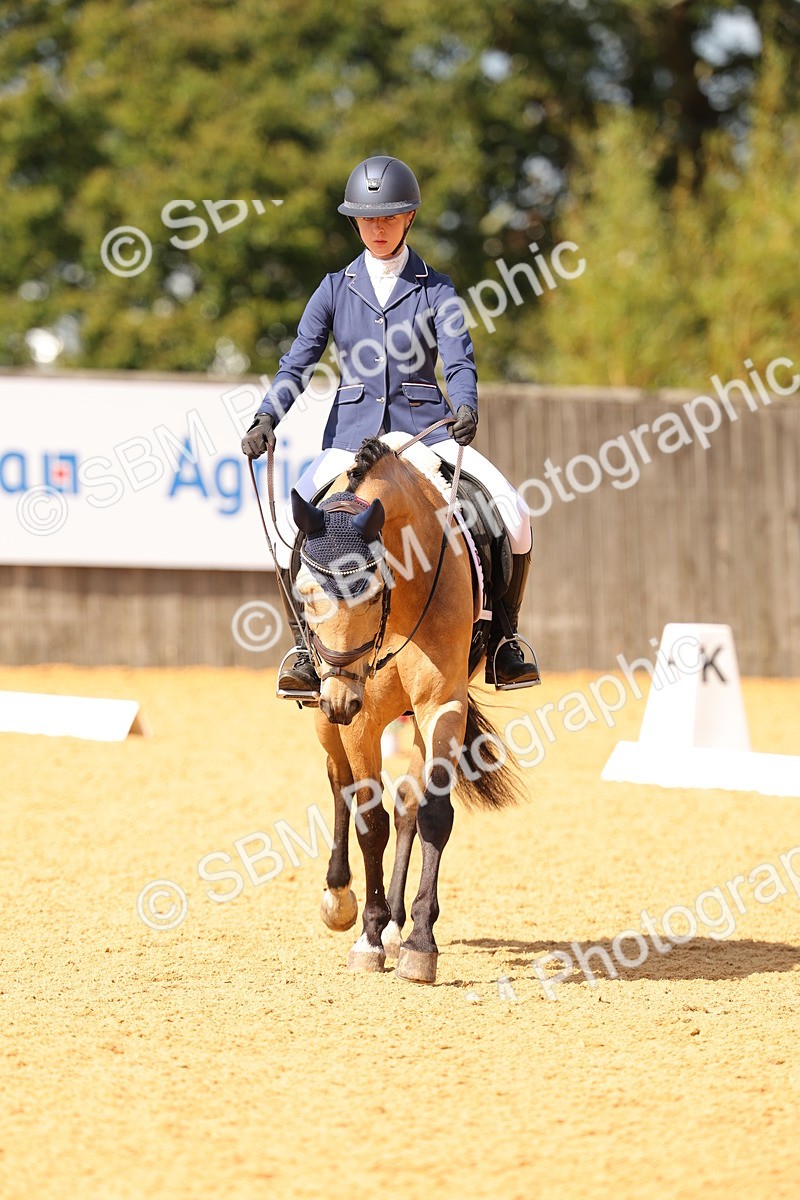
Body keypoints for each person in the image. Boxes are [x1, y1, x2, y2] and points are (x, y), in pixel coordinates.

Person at [241, 155, 538, 697]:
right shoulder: (334, 288)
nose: (378, 228)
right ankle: (307, 651)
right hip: (352, 440)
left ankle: (504, 641)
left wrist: (466, 404)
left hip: (423, 434)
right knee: (297, 525)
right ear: (355, 222)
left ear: (409, 218)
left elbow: (459, 359)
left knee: (514, 513)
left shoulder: (436, 288)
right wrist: (267, 416)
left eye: (389, 217)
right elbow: (298, 363)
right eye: (367, 219)